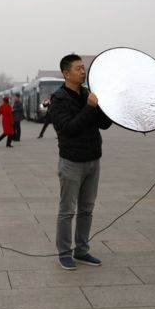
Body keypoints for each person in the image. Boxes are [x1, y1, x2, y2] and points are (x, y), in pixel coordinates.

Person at [49, 53, 112, 271]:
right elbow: (69, 128)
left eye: (83, 68)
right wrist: (89, 107)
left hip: (93, 159)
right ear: (66, 73)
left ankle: (82, 250)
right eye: (78, 68)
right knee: (67, 210)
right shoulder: (58, 100)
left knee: (87, 208)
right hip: (71, 162)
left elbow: (104, 124)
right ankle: (64, 253)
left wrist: (108, 104)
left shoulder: (88, 94)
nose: (83, 71)